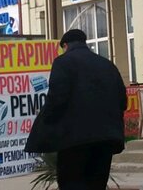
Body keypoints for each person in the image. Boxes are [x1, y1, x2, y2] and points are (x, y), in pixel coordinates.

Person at [26, 29, 127, 190]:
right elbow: (123, 102)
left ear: (65, 45)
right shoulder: (107, 65)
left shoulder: (63, 62)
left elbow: (56, 99)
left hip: (74, 140)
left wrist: (47, 126)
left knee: (71, 184)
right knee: (96, 185)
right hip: (106, 139)